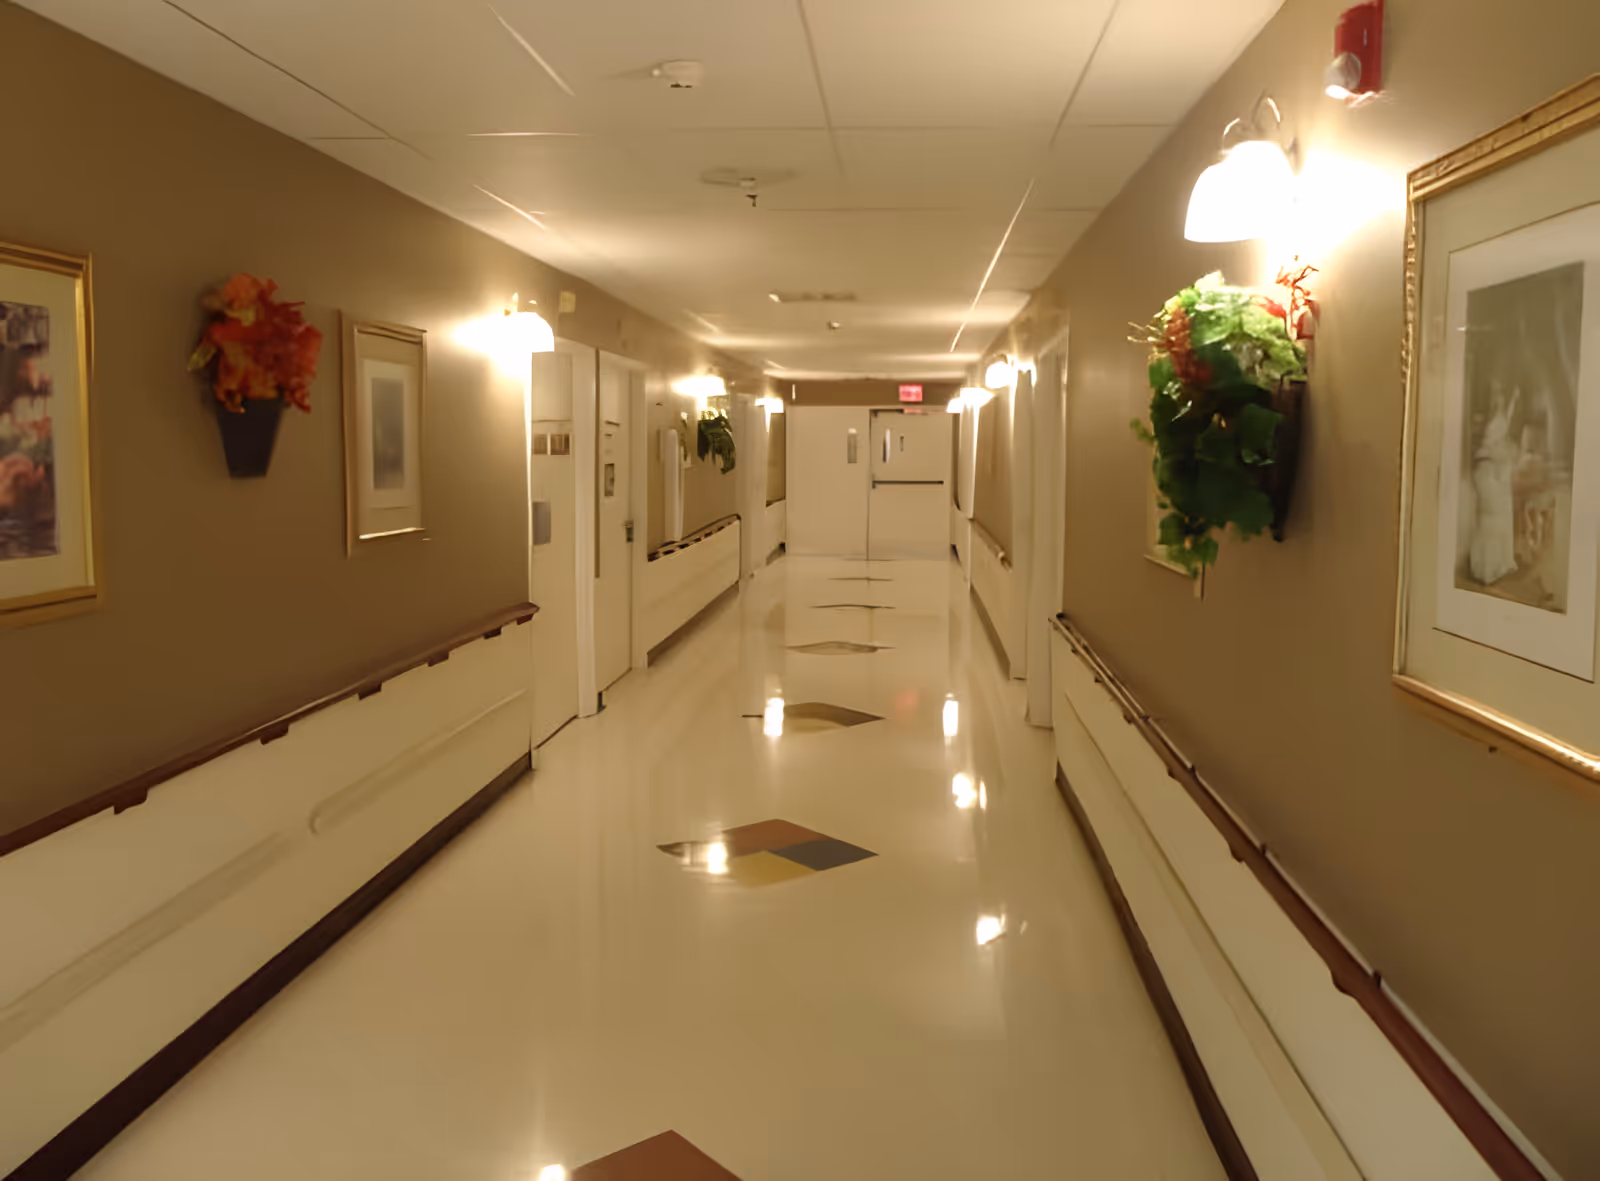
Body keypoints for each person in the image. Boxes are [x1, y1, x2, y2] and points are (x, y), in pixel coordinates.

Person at [1469, 386, 1520, 585]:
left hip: (1492, 475)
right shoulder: (1493, 427)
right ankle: (1486, 566)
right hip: (1489, 476)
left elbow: (1505, 423)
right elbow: (1491, 447)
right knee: (1491, 519)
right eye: (1497, 400)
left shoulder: (1496, 426)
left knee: (1495, 518)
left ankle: (1492, 564)